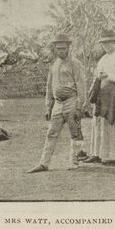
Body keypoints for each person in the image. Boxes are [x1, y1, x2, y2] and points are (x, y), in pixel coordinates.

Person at [27, 33, 86, 173]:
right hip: (58, 104)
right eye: (58, 48)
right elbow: (49, 87)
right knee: (51, 133)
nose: (61, 51)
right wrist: (48, 106)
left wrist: (79, 106)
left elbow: (82, 85)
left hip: (72, 100)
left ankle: (75, 161)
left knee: (75, 132)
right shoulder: (54, 65)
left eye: (63, 48)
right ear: (55, 49)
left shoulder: (76, 64)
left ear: (68, 48)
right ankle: (44, 163)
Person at [84, 30, 115, 165]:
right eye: (104, 43)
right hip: (102, 95)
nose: (106, 45)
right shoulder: (103, 59)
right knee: (99, 123)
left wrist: (108, 76)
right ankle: (97, 153)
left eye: (109, 42)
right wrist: (98, 78)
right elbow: (96, 77)